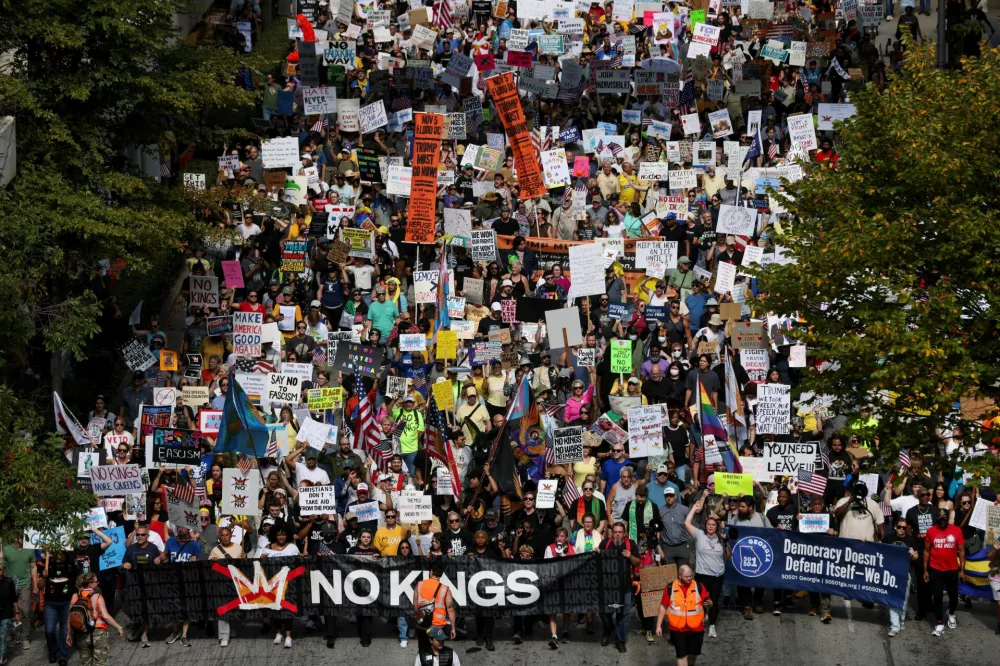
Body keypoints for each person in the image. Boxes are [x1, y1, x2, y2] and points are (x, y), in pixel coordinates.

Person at [684, 494, 725, 638]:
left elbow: (729, 556)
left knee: (713, 602)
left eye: (713, 525)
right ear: (705, 526)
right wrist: (694, 509)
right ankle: (701, 617)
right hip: (702, 575)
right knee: (700, 600)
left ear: (717, 527)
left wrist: (727, 542)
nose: (711, 527)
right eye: (709, 524)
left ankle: (712, 625)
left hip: (717, 576)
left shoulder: (721, 539)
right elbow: (687, 523)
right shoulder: (700, 535)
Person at [656, 564, 712, 666]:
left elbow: (709, 602)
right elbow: (663, 607)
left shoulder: (698, 586)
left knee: (693, 655)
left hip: (696, 628)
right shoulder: (670, 588)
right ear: (680, 575)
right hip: (678, 629)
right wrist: (658, 625)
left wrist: (709, 604)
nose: (689, 578)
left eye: (691, 576)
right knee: (681, 656)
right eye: (686, 576)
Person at [67, 573, 124, 666]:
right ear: (90, 584)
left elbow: (70, 617)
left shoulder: (75, 596)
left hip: (81, 633)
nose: (98, 583)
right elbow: (105, 616)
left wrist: (68, 634)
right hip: (98, 633)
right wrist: (118, 627)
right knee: (101, 663)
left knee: (86, 663)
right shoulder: (97, 596)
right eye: (96, 582)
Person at [599, 522, 640, 653]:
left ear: (624, 533)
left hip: (625, 587)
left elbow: (637, 562)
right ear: (612, 532)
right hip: (607, 587)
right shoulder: (605, 544)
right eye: (615, 531)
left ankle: (620, 641)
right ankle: (608, 630)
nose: (617, 534)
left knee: (623, 615)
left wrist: (630, 556)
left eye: (620, 532)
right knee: (605, 613)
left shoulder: (630, 544)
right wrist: (597, 553)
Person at [924, 508, 965, 637]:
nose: (942, 522)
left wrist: (962, 570)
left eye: (945, 519)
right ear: (937, 519)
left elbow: (962, 551)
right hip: (935, 568)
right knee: (937, 596)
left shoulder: (956, 530)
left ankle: (951, 612)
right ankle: (940, 623)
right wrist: (925, 570)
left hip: (952, 569)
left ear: (948, 519)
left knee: (954, 596)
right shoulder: (931, 531)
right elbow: (926, 551)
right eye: (940, 520)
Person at [208, 526, 244, 647]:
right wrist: (212, 560)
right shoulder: (215, 550)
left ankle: (230, 630)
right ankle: (224, 635)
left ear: (231, 535)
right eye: (222, 535)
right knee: (223, 608)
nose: (224, 537)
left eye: (226, 535)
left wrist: (244, 559)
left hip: (235, 584)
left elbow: (244, 568)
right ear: (219, 537)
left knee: (234, 608)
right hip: (221, 584)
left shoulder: (239, 548)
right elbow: (209, 568)